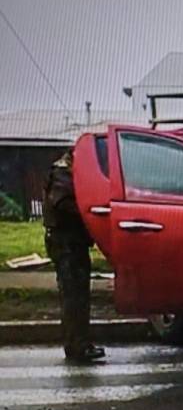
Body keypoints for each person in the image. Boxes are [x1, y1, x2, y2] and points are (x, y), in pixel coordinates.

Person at [43, 150, 105, 362]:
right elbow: (62, 202)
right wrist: (90, 212)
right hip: (66, 242)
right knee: (74, 297)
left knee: (76, 295)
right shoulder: (63, 172)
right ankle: (78, 347)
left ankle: (77, 344)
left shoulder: (67, 171)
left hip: (70, 241)